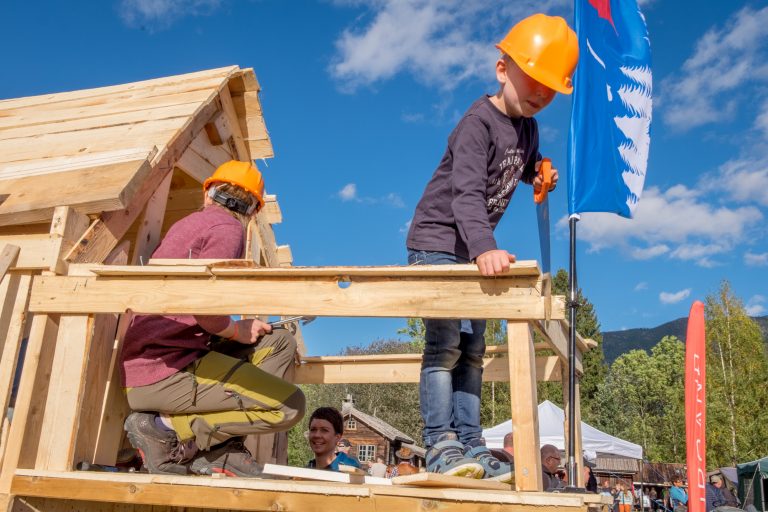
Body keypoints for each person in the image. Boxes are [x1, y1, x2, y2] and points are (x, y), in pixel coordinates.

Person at [405, 12, 577, 482]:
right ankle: (440, 443)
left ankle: (473, 445)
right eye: (535, 82)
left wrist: (539, 170)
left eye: (551, 92)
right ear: (503, 70)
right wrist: (484, 247)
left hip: (472, 250)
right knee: (444, 345)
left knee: (474, 348)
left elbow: (517, 166)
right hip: (438, 243)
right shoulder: (476, 124)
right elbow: (466, 194)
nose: (541, 95)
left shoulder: (528, 129)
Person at [121, 160, 305, 477]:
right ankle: (165, 429)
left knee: (278, 342)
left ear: (209, 193)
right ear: (253, 212)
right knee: (290, 405)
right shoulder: (228, 229)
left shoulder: (191, 223)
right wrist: (235, 329)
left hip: (163, 358)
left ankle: (219, 446)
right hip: (165, 371)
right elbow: (204, 308)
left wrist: (240, 330)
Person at [307, 407, 361, 471]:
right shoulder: (304, 472)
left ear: (337, 437)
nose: (317, 435)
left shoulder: (351, 470)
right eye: (313, 429)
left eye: (324, 430)